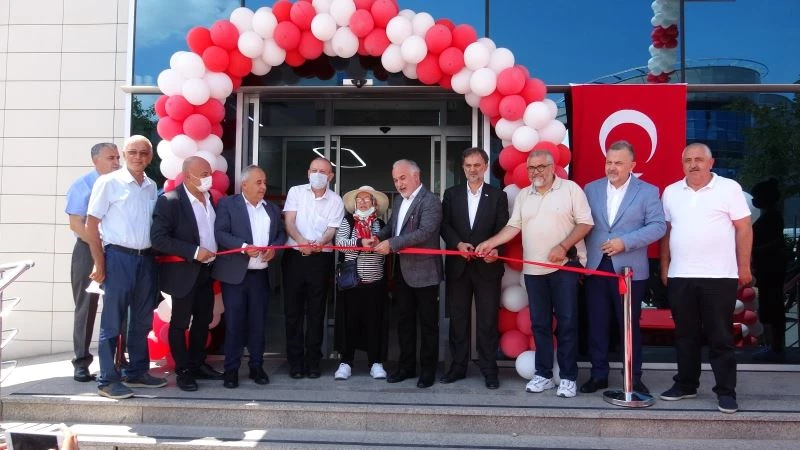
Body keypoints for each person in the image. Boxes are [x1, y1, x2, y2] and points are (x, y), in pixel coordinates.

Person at [476, 150, 593, 398]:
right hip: (533, 270)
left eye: (541, 167)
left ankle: (569, 377)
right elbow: (512, 227)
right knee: (539, 324)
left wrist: (562, 247)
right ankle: (544, 374)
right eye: (531, 168)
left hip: (564, 267)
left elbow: (585, 223)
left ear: (553, 167)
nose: (536, 172)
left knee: (568, 323)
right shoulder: (524, 196)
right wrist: (490, 243)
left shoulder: (571, 189)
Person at [659, 143, 752, 414]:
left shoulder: (729, 188)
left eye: (699, 159)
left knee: (720, 336)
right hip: (681, 275)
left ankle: (726, 392)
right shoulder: (672, 192)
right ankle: (686, 385)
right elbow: (666, 231)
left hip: (719, 275)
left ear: (711, 162)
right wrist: (665, 265)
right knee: (685, 335)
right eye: (687, 160)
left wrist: (743, 266)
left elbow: (744, 228)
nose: (693, 164)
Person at [581, 141, 666, 395]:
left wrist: (624, 242)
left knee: (629, 325)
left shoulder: (648, 191)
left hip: (629, 270)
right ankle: (598, 375)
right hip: (596, 267)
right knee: (596, 323)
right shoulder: (591, 189)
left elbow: (658, 226)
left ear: (632, 165)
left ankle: (633, 375)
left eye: (618, 162)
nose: (612, 167)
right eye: (609, 162)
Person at [85, 135, 166, 399]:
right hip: (118, 257)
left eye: (144, 153)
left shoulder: (151, 185)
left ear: (151, 156)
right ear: (124, 153)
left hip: (146, 259)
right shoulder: (108, 182)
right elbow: (91, 224)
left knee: (141, 320)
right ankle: (107, 379)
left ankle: (138, 371)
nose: (138, 157)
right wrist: (99, 262)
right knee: (113, 320)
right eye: (133, 152)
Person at [150, 156, 224, 392]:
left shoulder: (209, 198)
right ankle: (182, 370)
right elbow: (159, 239)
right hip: (183, 272)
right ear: (187, 175)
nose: (208, 178)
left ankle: (197, 362)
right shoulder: (170, 201)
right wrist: (193, 251)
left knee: (204, 320)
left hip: (207, 271)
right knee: (180, 323)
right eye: (203, 174)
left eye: (209, 173)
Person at [439, 148, 508, 389]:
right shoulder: (451, 194)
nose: (472, 170)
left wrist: (496, 251)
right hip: (459, 266)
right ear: (463, 167)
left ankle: (489, 369)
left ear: (486, 167)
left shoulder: (497, 195)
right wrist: (457, 244)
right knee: (458, 320)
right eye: (468, 165)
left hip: (488, 268)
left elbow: (503, 229)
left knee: (488, 321)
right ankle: (458, 367)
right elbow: (444, 225)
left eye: (477, 165)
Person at [213, 165, 286, 388]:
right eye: (258, 182)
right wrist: (244, 247)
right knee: (235, 324)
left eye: (264, 182)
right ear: (244, 184)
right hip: (236, 276)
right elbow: (220, 233)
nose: (263, 187)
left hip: (261, 276)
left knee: (258, 324)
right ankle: (231, 370)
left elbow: (281, 234)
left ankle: (256, 366)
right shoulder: (228, 204)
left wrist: (274, 248)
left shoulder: (271, 209)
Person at [374, 159, 443, 389]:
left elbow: (424, 232)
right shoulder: (398, 200)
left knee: (428, 325)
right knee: (404, 322)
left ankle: (428, 371)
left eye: (402, 178)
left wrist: (392, 244)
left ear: (416, 176)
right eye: (395, 179)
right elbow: (392, 228)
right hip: (402, 272)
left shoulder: (431, 201)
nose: (399, 183)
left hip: (425, 273)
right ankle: (406, 367)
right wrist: (378, 237)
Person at [282, 157, 344, 379]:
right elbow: (289, 221)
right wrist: (301, 242)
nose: (318, 174)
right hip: (295, 257)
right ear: (308, 172)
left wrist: (320, 243)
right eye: (314, 170)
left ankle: (313, 362)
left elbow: (331, 230)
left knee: (317, 312)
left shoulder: (336, 200)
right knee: (293, 312)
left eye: (323, 171)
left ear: (330, 176)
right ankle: (295, 363)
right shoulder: (296, 192)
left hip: (320, 259)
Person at [64, 142, 120, 382]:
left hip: (118, 252)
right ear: (95, 160)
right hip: (88, 250)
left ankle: (119, 359)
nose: (117, 162)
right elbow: (76, 224)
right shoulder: (82, 185)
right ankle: (81, 362)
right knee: (86, 306)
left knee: (118, 305)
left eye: (118, 157)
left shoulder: (121, 184)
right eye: (111, 158)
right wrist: (98, 249)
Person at [333, 186, 390, 381]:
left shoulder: (380, 224)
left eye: (367, 199)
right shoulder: (347, 221)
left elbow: (387, 246)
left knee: (375, 323)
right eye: (360, 199)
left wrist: (379, 245)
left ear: (374, 203)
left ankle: (375, 362)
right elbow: (339, 243)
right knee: (349, 324)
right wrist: (359, 244)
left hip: (375, 283)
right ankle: (346, 362)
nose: (363, 202)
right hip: (352, 284)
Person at [750, 178, 788, 361]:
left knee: (772, 305)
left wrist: (755, 250)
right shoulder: (770, 216)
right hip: (768, 269)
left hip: (771, 269)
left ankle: (775, 345)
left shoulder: (772, 218)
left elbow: (775, 243)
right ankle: (774, 345)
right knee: (769, 305)